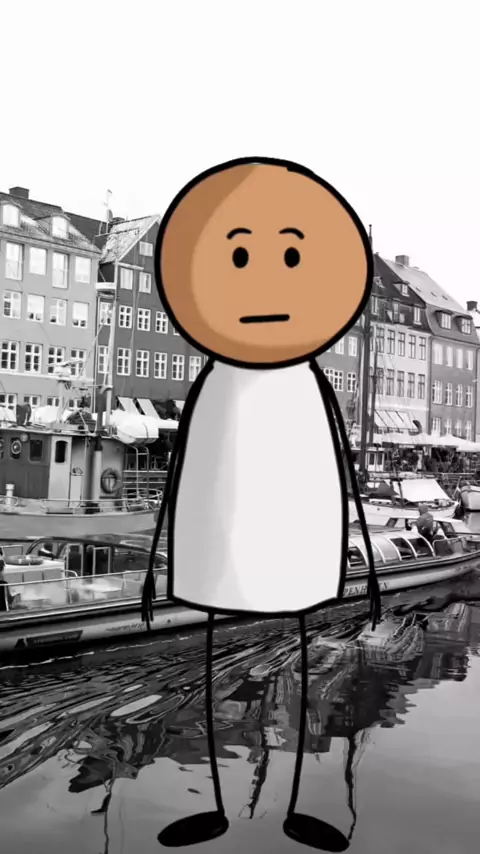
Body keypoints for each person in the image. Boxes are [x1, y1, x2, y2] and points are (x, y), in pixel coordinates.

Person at [141, 157, 382, 851]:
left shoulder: (308, 382)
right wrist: (158, 567)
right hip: (219, 529)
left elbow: (343, 478)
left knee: (299, 636)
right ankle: (217, 805)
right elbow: (184, 474)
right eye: (239, 257)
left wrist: (366, 569)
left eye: (292, 259)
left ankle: (298, 802)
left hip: (295, 527)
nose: (264, 283)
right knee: (215, 633)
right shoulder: (215, 383)